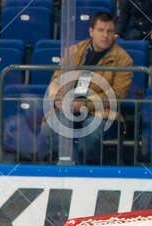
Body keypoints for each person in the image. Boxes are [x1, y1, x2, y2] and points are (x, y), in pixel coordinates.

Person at [45, 11, 132, 165]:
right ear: (91, 31)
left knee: (90, 135)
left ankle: (78, 171)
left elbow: (116, 95)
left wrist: (84, 105)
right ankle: (68, 168)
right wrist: (58, 100)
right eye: (101, 30)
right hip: (69, 106)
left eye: (110, 31)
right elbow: (57, 80)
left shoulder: (123, 59)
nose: (105, 35)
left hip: (101, 112)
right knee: (50, 129)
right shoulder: (74, 51)